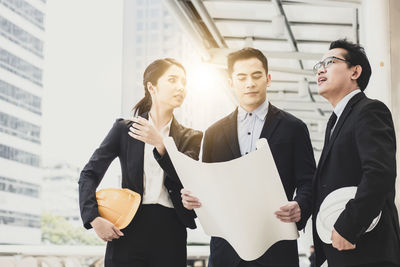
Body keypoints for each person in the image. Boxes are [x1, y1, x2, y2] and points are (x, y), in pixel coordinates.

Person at [181, 47, 316, 267]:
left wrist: (301, 205)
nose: (249, 83)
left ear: (268, 79)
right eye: (241, 77)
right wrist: (193, 199)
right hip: (227, 250)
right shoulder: (214, 133)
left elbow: (308, 181)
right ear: (230, 83)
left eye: (256, 76)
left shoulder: (294, 128)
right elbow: (208, 184)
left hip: (276, 246)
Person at [78, 58, 203, 267]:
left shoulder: (191, 137)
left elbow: (187, 177)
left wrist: (161, 145)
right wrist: (93, 218)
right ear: (152, 87)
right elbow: (89, 173)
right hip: (127, 227)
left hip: (170, 229)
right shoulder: (124, 129)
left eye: (184, 82)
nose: (180, 87)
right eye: (172, 80)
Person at [312, 39, 400, 267]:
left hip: (366, 249)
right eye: (318, 65)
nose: (321, 69)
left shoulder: (369, 110)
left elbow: (379, 174)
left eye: (330, 62)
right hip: (344, 251)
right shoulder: (335, 121)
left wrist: (349, 226)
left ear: (355, 71)